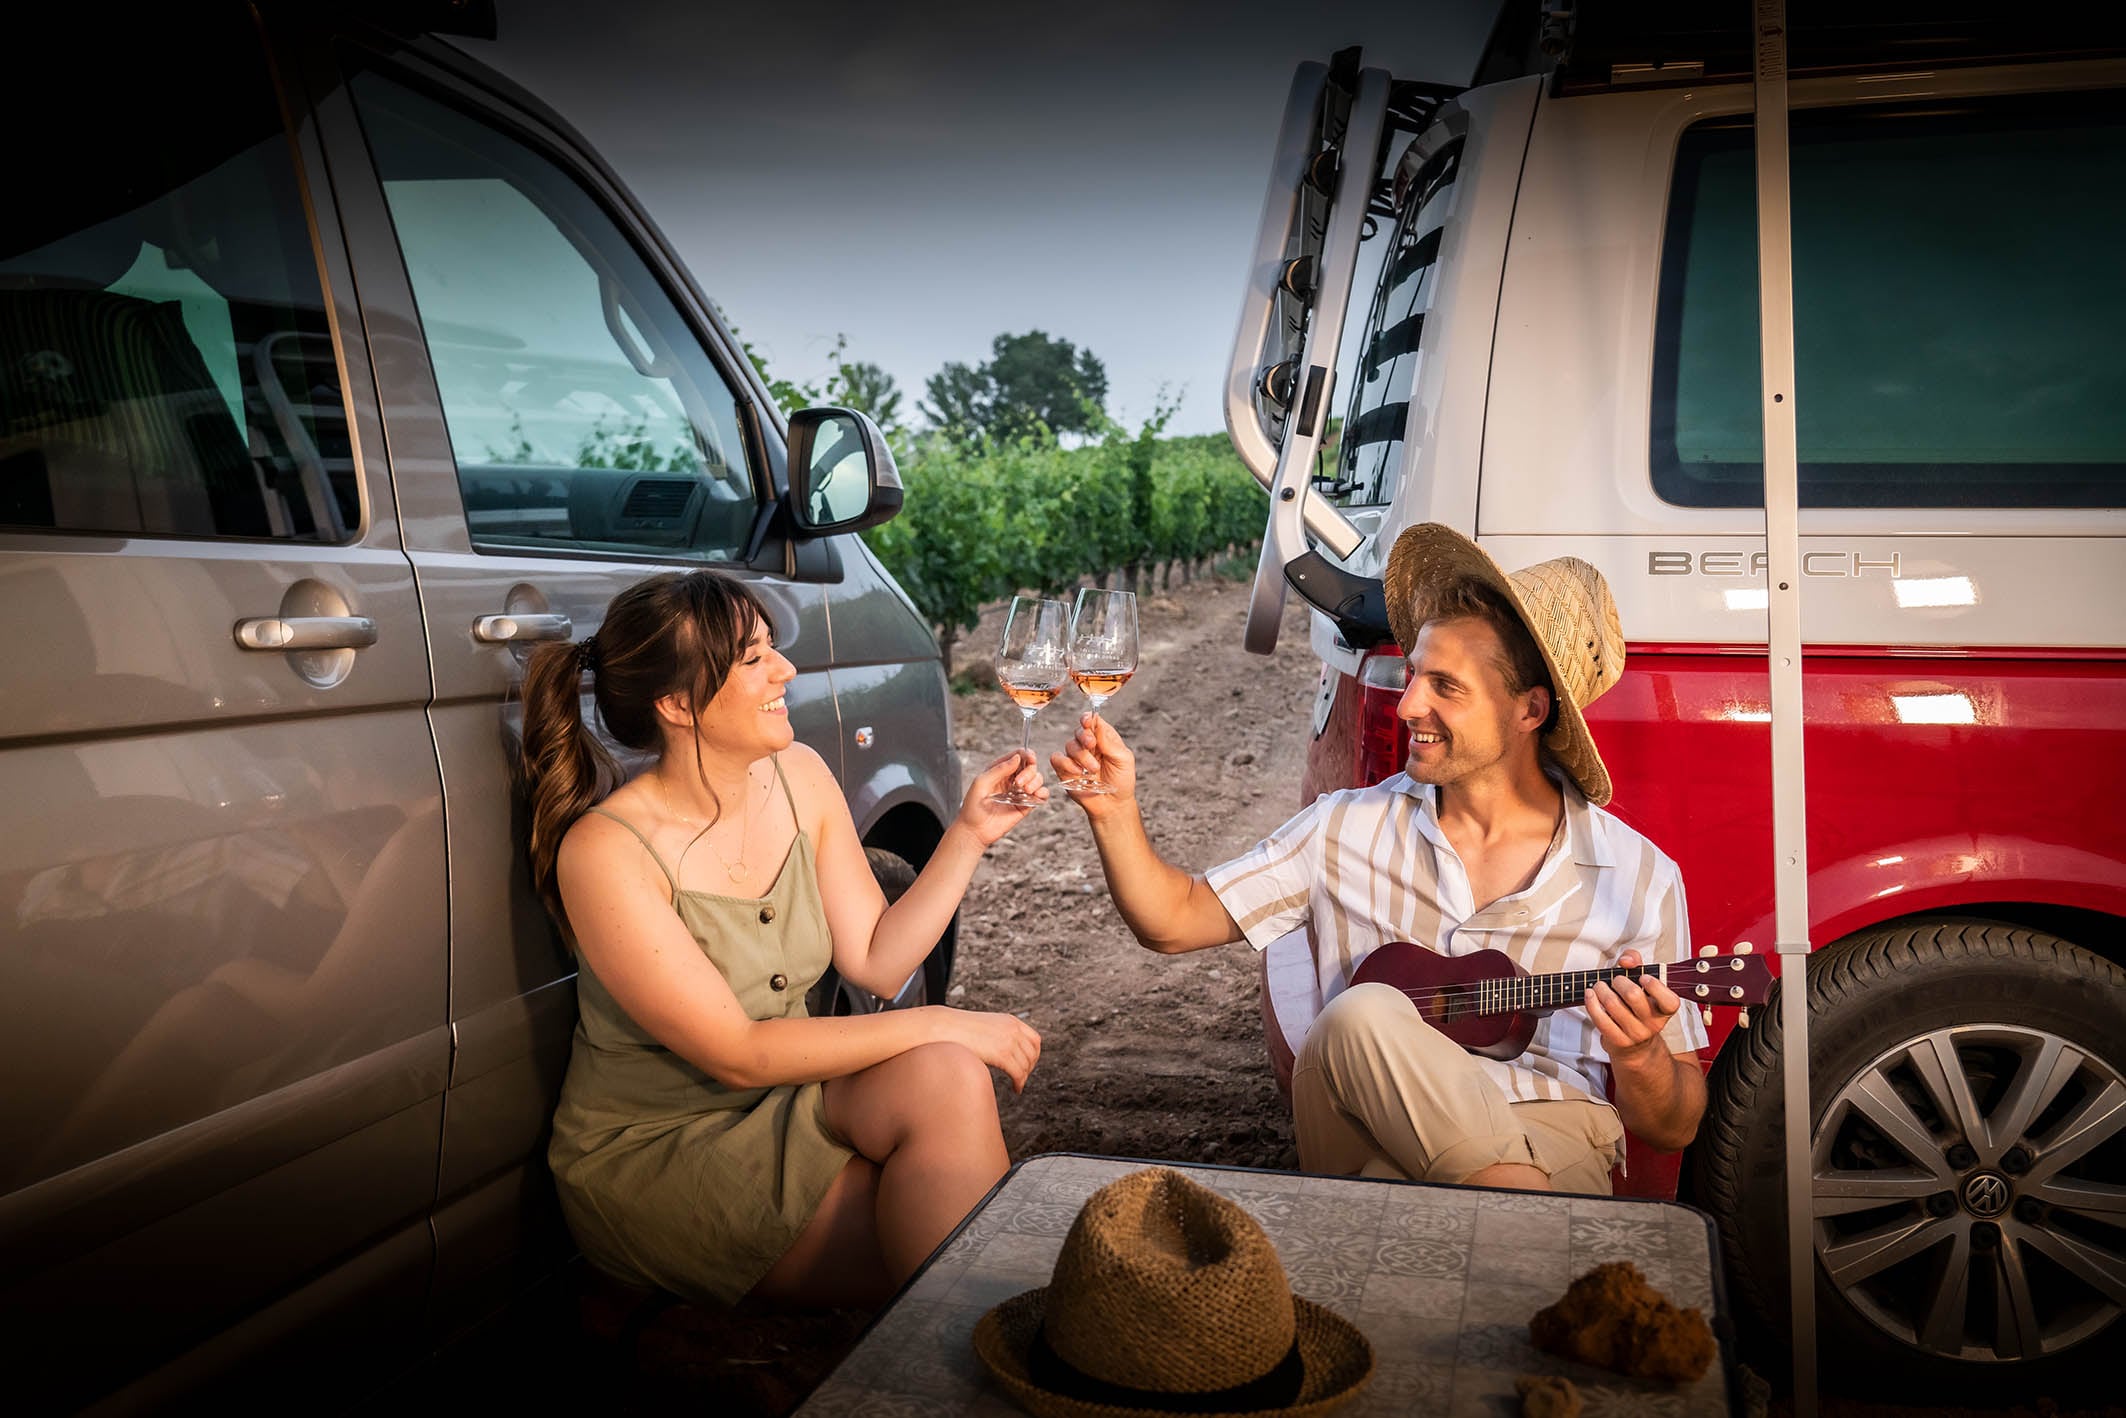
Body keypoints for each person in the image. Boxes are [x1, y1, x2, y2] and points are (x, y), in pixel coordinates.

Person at [1052, 524, 1707, 1193]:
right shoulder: (1344, 828)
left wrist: (1641, 1056)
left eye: (1445, 686)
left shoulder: (1639, 879)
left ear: (1529, 711)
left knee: (1405, 1193)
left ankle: (1496, 1202)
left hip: (1552, 1137)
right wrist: (1113, 813)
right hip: (1362, 1111)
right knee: (1362, 1016)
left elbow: (1674, 1125)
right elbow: (1173, 920)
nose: (1410, 702)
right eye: (1415, 673)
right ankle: (1514, 1207)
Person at [520, 570, 1045, 1308]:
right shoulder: (607, 852)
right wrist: (945, 1020)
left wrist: (969, 833)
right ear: (677, 705)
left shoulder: (798, 774)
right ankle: (973, 1358)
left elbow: (877, 956)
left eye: (772, 647)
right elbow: (737, 1054)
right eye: (752, 659)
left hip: (786, 1105)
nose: (786, 669)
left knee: (949, 1084)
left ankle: (966, 1351)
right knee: (969, 1258)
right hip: (663, 1150)